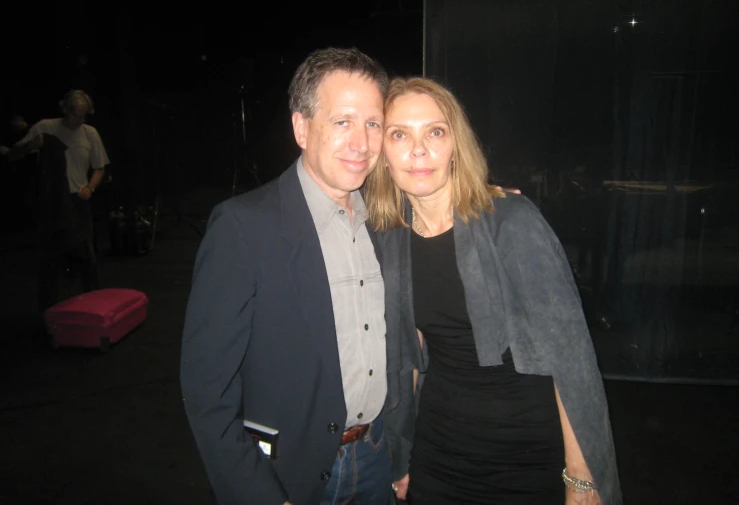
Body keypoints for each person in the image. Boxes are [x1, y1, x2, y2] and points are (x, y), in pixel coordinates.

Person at [365, 77, 622, 504]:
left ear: (456, 145)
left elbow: (572, 361)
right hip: (438, 453)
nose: (418, 149)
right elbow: (409, 361)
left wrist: (582, 478)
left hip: (522, 454)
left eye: (435, 131)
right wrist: (401, 456)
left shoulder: (511, 222)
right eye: (399, 134)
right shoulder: (391, 240)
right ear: (383, 155)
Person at [180, 48, 394, 505]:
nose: (362, 142)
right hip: (290, 475)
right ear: (301, 128)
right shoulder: (243, 227)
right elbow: (207, 391)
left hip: (379, 456)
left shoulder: (385, 222)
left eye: (373, 123)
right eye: (343, 121)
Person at [2, 91, 109, 311]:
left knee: (87, 256)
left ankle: (96, 308)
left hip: (77, 199)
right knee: (50, 258)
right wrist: (33, 145)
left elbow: (100, 167)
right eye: (76, 116)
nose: (79, 121)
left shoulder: (89, 133)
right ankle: (49, 311)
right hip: (52, 201)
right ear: (66, 111)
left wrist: (90, 187)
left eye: (83, 116)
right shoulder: (45, 127)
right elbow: (12, 155)